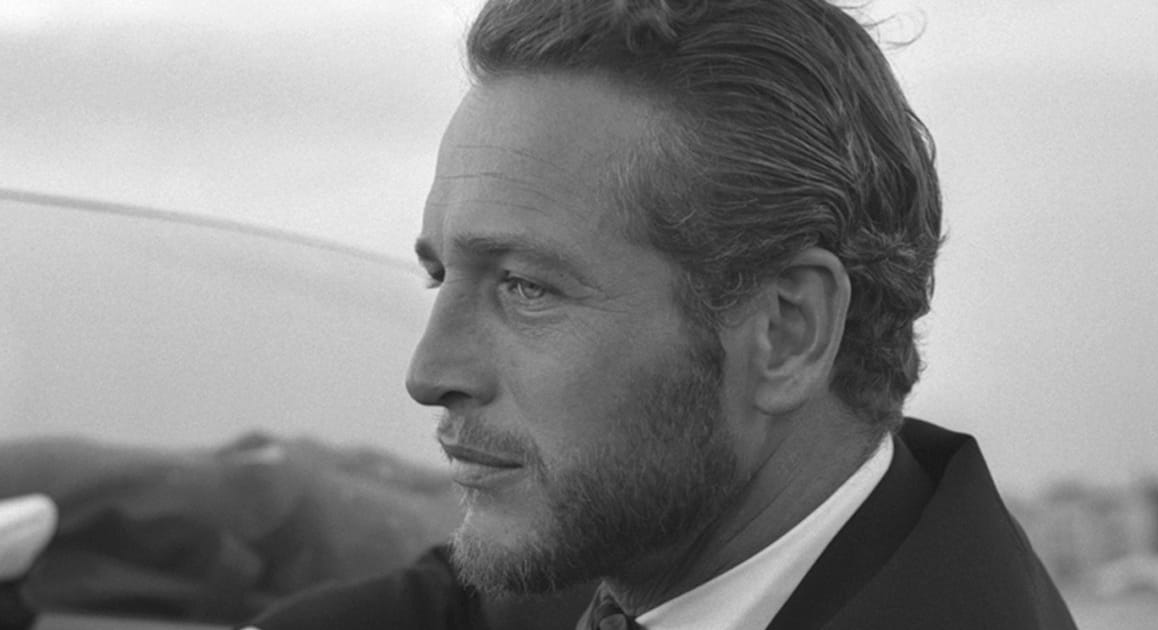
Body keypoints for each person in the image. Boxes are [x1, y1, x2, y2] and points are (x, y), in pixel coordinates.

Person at [247, 1, 1078, 628]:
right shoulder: (638, 538)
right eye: (440, 276)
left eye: (525, 286)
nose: (429, 374)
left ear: (787, 332)